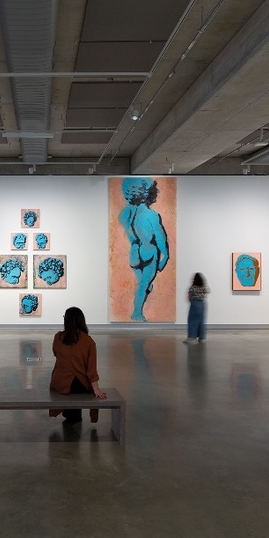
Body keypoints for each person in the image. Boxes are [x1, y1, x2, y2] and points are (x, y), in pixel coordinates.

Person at [118, 177, 169, 321]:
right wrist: (165, 255)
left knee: (146, 285)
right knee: (143, 285)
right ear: (146, 192)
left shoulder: (124, 214)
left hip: (134, 252)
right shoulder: (151, 215)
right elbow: (160, 237)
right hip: (148, 251)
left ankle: (142, 297)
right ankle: (137, 313)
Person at [49, 306, 107, 423]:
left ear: (66, 320)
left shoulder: (58, 337)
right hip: (79, 385)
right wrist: (96, 389)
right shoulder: (88, 341)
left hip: (59, 382)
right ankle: (73, 416)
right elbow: (91, 369)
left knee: (71, 383)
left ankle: (70, 414)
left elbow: (56, 354)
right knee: (78, 383)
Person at [184, 273, 210, 344]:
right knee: (201, 321)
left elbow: (189, 296)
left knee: (192, 321)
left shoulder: (192, 287)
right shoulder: (203, 287)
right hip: (202, 304)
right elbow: (205, 294)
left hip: (195, 303)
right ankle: (201, 338)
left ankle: (191, 337)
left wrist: (192, 301)